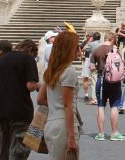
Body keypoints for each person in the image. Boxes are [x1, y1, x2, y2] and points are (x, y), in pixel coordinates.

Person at [0, 39, 40, 160]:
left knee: (4, 148)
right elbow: (30, 86)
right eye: (34, 55)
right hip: (20, 110)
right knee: (19, 151)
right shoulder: (27, 59)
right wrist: (40, 86)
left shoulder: (2, 59)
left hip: (1, 110)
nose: (34, 58)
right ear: (31, 50)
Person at [37, 31, 81, 160]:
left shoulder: (51, 70)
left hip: (51, 123)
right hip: (64, 126)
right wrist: (72, 137)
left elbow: (40, 99)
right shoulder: (69, 71)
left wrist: (54, 103)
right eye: (76, 46)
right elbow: (67, 105)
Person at [90, 33, 125, 141]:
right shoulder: (115, 50)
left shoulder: (96, 50)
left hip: (101, 79)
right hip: (115, 82)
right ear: (112, 39)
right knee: (114, 106)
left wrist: (99, 68)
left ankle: (101, 133)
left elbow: (91, 68)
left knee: (101, 106)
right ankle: (114, 132)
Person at [81, 32, 101, 104]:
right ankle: (98, 97)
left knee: (93, 82)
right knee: (97, 80)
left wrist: (89, 42)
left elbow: (83, 49)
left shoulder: (92, 44)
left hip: (92, 62)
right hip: (99, 63)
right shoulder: (101, 44)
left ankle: (94, 99)